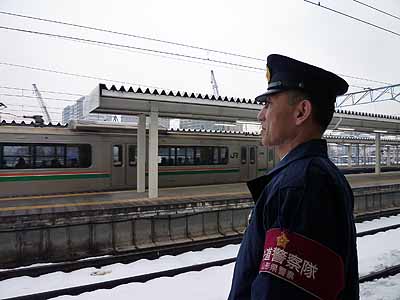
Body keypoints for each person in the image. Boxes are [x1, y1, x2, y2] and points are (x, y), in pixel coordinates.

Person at [228, 54, 359, 299]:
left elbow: (278, 293)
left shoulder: (299, 186)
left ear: (301, 112)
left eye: (268, 104)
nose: (260, 115)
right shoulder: (314, 174)